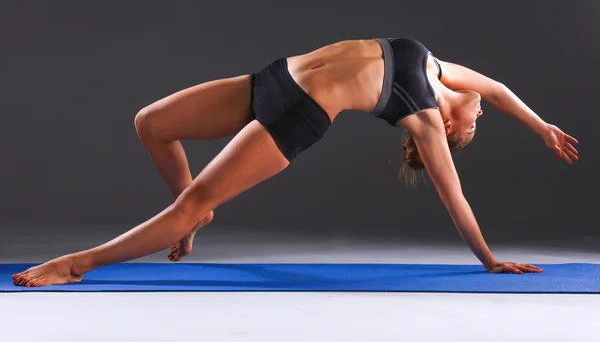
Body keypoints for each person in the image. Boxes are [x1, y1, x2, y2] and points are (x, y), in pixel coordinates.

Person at [12, 37, 578, 287]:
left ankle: (79, 262)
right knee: (151, 123)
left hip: (300, 114)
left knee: (192, 203)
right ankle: (192, 215)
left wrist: (489, 260)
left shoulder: (428, 117)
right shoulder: (438, 69)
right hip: (273, 79)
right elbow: (500, 89)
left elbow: (455, 200)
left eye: (474, 130)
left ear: (451, 129)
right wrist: (543, 127)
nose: (484, 117)